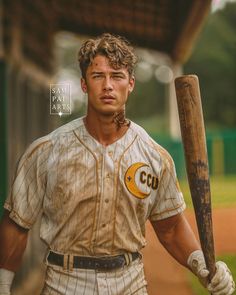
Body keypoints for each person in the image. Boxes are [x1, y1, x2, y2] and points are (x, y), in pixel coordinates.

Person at [0, 33, 235, 295]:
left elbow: (170, 227)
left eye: (117, 76)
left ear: (131, 83)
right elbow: (17, 225)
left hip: (129, 282)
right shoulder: (45, 151)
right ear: (84, 84)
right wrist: (3, 285)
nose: (108, 85)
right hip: (64, 283)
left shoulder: (154, 157)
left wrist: (202, 265)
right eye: (98, 76)